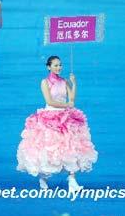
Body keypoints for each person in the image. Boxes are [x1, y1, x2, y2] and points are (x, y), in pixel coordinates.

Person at [16, 56, 98, 191]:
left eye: (60, 65)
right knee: (47, 147)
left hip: (65, 117)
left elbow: (72, 99)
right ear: (48, 67)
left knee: (71, 146)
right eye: (55, 65)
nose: (58, 67)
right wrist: (66, 105)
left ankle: (72, 180)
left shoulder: (64, 81)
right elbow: (50, 101)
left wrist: (74, 83)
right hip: (50, 117)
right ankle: (43, 176)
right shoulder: (45, 82)